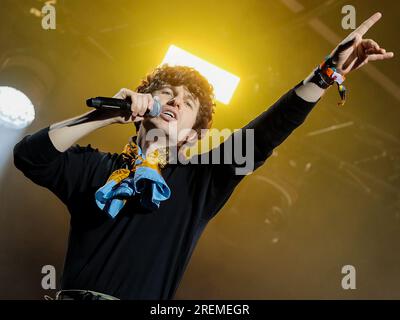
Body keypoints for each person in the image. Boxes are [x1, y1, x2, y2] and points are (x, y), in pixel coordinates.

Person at [13, 13, 393, 300]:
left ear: (195, 136)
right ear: (143, 106)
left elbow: (266, 133)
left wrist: (326, 73)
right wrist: (107, 113)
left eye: (188, 102)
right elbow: (31, 157)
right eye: (167, 93)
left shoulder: (201, 181)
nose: (176, 101)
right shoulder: (95, 169)